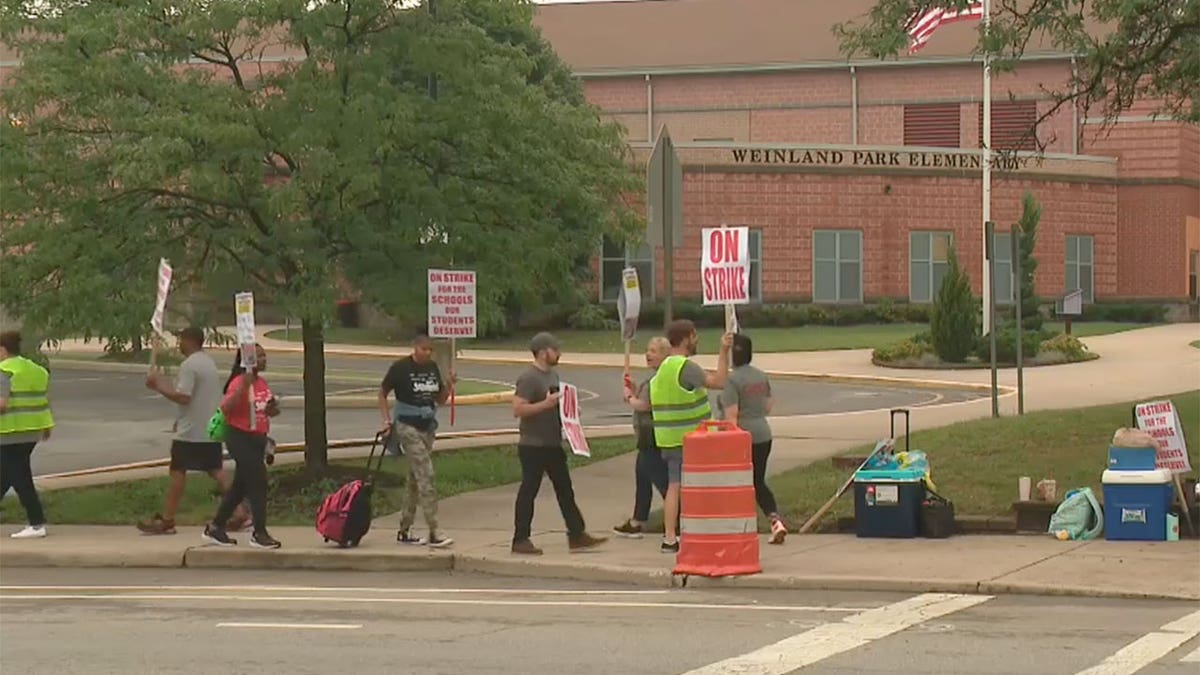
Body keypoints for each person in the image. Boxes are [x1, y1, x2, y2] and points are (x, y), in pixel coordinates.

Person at [137, 327, 248, 535]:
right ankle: (240, 512)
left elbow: (183, 397)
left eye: (180, 340)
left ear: (189, 340)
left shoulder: (189, 365)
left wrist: (158, 386)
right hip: (208, 428)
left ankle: (167, 519)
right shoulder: (207, 362)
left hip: (190, 433)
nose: (178, 344)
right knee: (217, 471)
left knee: (177, 471)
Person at [510, 332, 607, 555]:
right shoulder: (529, 378)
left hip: (552, 442)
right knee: (529, 490)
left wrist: (569, 411)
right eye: (556, 349)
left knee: (565, 489)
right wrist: (546, 404)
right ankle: (520, 538)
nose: (559, 353)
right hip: (533, 444)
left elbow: (555, 405)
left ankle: (576, 534)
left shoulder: (552, 375)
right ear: (544, 352)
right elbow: (518, 409)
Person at [650, 320, 732, 553]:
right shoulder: (685, 367)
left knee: (674, 487)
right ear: (686, 338)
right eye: (695, 336)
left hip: (668, 438)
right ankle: (703, 531)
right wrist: (723, 351)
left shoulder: (662, 369)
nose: (697, 340)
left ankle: (669, 538)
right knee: (702, 486)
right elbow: (720, 381)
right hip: (693, 439)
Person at [202, 343, 281, 549]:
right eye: (259, 356)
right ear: (248, 360)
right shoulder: (239, 382)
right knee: (258, 481)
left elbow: (266, 411)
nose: (264, 359)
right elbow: (225, 407)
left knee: (239, 487)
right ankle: (259, 532)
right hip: (239, 437)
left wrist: (272, 409)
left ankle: (216, 527)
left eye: (264, 355)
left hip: (257, 439)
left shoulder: (261, 383)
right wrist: (243, 387)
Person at [378, 333, 454, 548]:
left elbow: (440, 399)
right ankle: (434, 530)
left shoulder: (432, 368)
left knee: (414, 479)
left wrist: (448, 386)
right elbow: (382, 393)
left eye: (430, 350)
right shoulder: (400, 368)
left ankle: (405, 529)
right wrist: (386, 421)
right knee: (426, 475)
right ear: (414, 348)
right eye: (424, 349)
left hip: (427, 427)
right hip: (407, 425)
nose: (427, 353)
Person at [717, 333, 787, 544]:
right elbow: (768, 406)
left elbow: (731, 416)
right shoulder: (760, 376)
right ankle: (774, 520)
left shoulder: (732, 380)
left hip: (742, 437)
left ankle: (736, 527)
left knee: (737, 483)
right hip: (764, 435)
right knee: (757, 481)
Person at [612, 336, 670, 538]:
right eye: (648, 350)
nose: (648, 354)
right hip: (649, 434)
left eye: (653, 351)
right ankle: (638, 520)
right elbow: (644, 399)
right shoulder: (654, 378)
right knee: (643, 477)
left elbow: (645, 405)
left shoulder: (659, 379)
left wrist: (629, 397)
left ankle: (677, 518)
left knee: (661, 479)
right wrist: (635, 388)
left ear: (665, 355)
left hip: (651, 435)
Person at [0, 331, 52, 539]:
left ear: (2, 350)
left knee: (19, 477)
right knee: (5, 475)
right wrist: (46, 426)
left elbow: (2, 404)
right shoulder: (35, 369)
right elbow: (41, 399)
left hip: (9, 431)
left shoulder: (4, 370)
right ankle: (36, 522)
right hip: (32, 431)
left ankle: (36, 523)